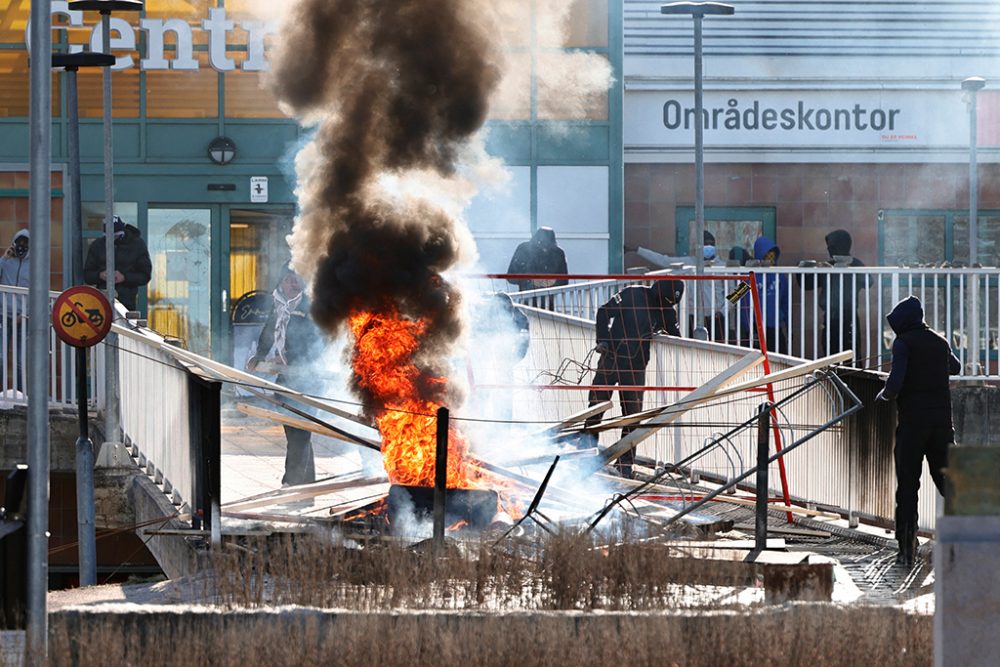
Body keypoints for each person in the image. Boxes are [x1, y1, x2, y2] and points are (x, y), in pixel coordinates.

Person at [876, 296, 960, 567]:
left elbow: (896, 382)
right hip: (941, 426)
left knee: (909, 487)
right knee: (950, 486)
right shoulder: (939, 341)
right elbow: (955, 367)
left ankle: (907, 549)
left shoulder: (903, 343)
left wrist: (883, 395)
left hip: (912, 426)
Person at [583, 278, 684, 478]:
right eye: (664, 302)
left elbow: (676, 336)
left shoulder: (667, 311)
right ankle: (586, 455)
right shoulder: (632, 293)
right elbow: (604, 312)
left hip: (636, 365)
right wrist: (602, 340)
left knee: (633, 415)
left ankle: (625, 464)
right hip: (611, 356)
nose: (663, 307)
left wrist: (669, 333)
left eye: (668, 304)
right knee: (596, 405)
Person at [247, 269, 320, 486]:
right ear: (281, 282)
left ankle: (291, 483)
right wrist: (259, 356)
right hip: (287, 379)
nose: (294, 284)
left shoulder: (310, 306)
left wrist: (289, 357)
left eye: (297, 279)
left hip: (308, 380)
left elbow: (315, 342)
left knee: (301, 433)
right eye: (289, 279)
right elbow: (270, 331)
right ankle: (305, 486)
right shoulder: (279, 303)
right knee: (297, 432)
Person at [799, 229, 869, 357]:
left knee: (851, 357)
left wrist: (847, 270)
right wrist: (802, 270)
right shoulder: (828, 266)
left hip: (850, 318)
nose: (830, 250)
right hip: (830, 318)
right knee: (830, 355)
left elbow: (869, 282)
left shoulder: (855, 264)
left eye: (832, 247)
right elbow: (807, 284)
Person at [83, 215, 152, 311]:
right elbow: (87, 275)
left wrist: (125, 277)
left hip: (127, 302)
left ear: (122, 232)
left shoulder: (137, 245)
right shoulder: (97, 246)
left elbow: (145, 275)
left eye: (116, 236)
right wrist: (100, 275)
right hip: (102, 302)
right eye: (109, 237)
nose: (113, 239)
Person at [740, 236, 789, 355]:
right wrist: (748, 328)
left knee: (779, 361)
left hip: (775, 327)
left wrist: (788, 325)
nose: (769, 258)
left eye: (772, 254)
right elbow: (735, 299)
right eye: (766, 254)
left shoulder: (780, 276)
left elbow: (786, 302)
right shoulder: (747, 276)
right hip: (754, 327)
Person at [0, 229, 29, 391]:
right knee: (1, 357)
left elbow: (36, 294)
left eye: (25, 243)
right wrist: (4, 259)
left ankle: (19, 395)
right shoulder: (6, 261)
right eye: (19, 242)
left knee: (19, 361)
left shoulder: (34, 265)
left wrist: (25, 314)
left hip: (22, 318)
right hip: (3, 316)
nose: (22, 246)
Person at [506, 227, 569, 291]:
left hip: (547, 297)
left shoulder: (558, 253)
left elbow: (564, 281)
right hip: (527, 296)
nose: (545, 250)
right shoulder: (524, 249)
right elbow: (511, 276)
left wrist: (551, 282)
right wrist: (529, 280)